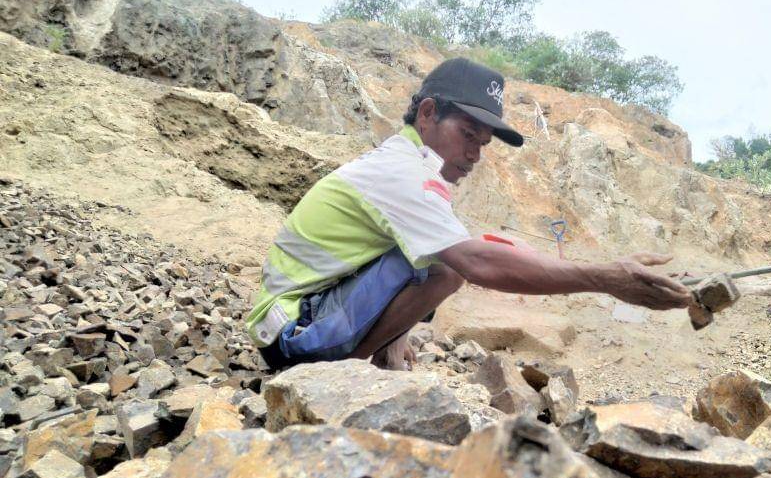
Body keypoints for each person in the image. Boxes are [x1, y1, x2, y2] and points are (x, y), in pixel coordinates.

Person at [246, 57, 693, 370]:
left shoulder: (409, 165)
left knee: (465, 251)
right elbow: (473, 264)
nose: (475, 153)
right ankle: (347, 369)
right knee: (453, 262)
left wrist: (395, 334)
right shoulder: (402, 173)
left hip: (296, 317)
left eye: (483, 143)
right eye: (467, 135)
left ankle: (381, 356)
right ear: (427, 114)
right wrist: (604, 279)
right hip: (290, 333)